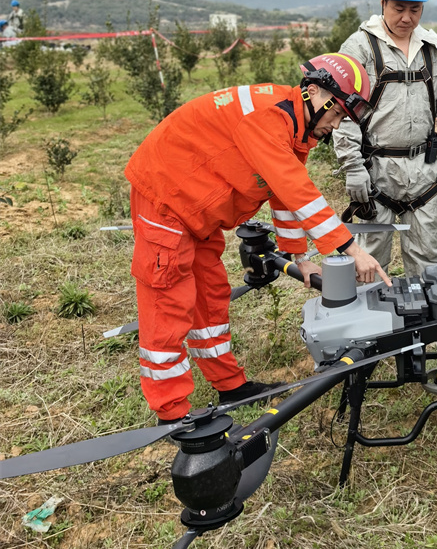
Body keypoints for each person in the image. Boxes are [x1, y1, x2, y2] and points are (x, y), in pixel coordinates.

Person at [124, 53, 390, 423]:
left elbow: (281, 194)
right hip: (166, 199)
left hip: (198, 212)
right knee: (168, 303)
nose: (336, 124)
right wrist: (349, 248)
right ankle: (172, 414)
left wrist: (299, 257)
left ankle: (230, 386)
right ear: (315, 92)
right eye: (337, 113)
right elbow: (298, 189)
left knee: (210, 296)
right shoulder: (268, 118)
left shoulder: (295, 126)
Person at [333, 0, 437, 275]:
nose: (407, 17)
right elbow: (343, 110)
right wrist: (352, 167)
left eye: (415, 9)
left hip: (424, 171)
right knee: (368, 260)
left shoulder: (432, 49)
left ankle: (430, 320)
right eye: (399, 8)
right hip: (376, 171)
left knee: (429, 259)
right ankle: (369, 323)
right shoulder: (359, 47)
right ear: (383, 3)